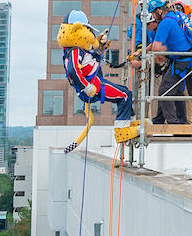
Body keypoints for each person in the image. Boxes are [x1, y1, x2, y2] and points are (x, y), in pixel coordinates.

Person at [58, 9, 142, 144]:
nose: (90, 34)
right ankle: (121, 130)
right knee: (124, 96)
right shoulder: (75, 51)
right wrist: (87, 88)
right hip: (94, 87)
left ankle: (128, 124)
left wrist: (100, 46)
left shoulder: (78, 51)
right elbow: (73, 71)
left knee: (125, 93)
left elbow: (89, 61)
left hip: (96, 84)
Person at [151, 0, 192, 125]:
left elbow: (156, 47)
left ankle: (173, 122)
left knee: (165, 91)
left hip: (182, 60)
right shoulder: (178, 16)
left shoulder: (165, 23)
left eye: (153, 14)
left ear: (159, 11)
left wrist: (160, 53)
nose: (153, 17)